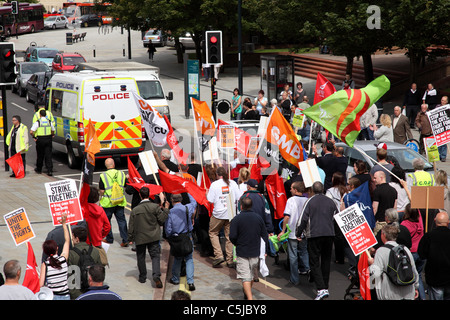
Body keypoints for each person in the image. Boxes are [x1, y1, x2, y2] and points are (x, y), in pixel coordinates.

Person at [296, 181, 338, 300]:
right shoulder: (331, 201)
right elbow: (337, 216)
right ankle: (325, 286)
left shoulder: (310, 201)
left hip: (314, 235)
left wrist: (298, 233)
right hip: (329, 234)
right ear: (323, 189)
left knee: (314, 262)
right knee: (326, 261)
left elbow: (302, 219)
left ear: (313, 190)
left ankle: (321, 289)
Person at [128, 187, 169, 287]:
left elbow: (131, 226)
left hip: (140, 237)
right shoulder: (155, 207)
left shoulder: (135, 210)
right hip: (153, 236)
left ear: (140, 195)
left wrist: (130, 238)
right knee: (155, 256)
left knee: (140, 257)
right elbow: (162, 220)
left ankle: (142, 277)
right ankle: (156, 275)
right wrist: (166, 209)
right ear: (149, 194)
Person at [230, 197, 268, 300]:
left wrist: (237, 244)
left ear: (241, 206)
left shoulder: (236, 219)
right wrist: (265, 251)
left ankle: (249, 298)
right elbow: (264, 235)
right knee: (251, 275)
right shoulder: (258, 218)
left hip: (242, 251)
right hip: (255, 251)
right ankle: (247, 294)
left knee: (245, 277)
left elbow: (232, 236)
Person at [368, 224, 419, 300]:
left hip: (390, 293)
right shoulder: (405, 249)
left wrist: (371, 264)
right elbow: (413, 270)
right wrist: (416, 287)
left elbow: (376, 274)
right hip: (408, 292)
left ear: (384, 235)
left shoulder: (381, 251)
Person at [207, 166, 241, 268]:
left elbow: (210, 200)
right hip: (230, 209)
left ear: (217, 175)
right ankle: (229, 260)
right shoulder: (233, 183)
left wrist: (206, 194)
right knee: (229, 236)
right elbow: (239, 197)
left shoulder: (214, 184)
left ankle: (219, 255)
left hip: (219, 211)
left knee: (213, 233)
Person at [278, 181, 309, 285]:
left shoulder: (291, 200)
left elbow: (287, 216)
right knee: (304, 252)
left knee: (293, 256)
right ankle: (309, 270)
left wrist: (283, 231)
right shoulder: (307, 200)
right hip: (304, 231)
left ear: (296, 190)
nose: (290, 190)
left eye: (291, 188)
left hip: (293, 232)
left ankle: (294, 279)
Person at [166, 193, 197, 291]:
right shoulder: (187, 208)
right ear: (182, 199)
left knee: (178, 259)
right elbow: (194, 202)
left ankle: (175, 279)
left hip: (176, 238)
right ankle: (190, 282)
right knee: (189, 259)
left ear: (172, 200)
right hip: (187, 237)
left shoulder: (170, 212)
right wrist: (189, 191)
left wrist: (169, 237)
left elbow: (168, 229)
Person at [418, 211, 450, 300]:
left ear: (435, 222)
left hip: (435, 277)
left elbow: (421, 254)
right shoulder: (429, 236)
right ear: (448, 222)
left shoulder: (429, 236)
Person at [99, 158, 129, 247]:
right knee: (121, 220)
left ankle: (109, 238)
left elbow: (102, 190)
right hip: (119, 201)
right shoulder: (121, 173)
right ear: (114, 164)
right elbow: (125, 185)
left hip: (108, 203)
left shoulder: (103, 175)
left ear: (106, 166)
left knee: (107, 222)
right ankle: (125, 239)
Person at [39, 213, 70, 300]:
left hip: (52, 296)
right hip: (66, 296)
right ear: (57, 248)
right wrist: (64, 224)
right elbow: (67, 241)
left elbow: (40, 284)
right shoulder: (63, 259)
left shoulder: (45, 264)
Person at [67, 226, 102, 299]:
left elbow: (71, 278)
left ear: (77, 239)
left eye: (73, 237)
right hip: (93, 290)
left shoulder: (71, 254)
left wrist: (75, 295)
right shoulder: (95, 251)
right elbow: (100, 272)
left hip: (78, 293)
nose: (72, 239)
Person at [401, 204, 426, 300]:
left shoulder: (405, 224)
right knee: (418, 276)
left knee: (410, 277)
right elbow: (417, 210)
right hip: (421, 253)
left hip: (412, 253)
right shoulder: (419, 222)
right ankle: (422, 297)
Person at [30, 109, 55, 176]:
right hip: (48, 139)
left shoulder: (38, 122)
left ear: (40, 115)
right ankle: (49, 170)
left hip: (40, 139)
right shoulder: (49, 122)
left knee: (40, 155)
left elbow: (31, 131)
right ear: (46, 115)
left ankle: (39, 169)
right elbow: (53, 130)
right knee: (48, 155)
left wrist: (34, 137)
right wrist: (52, 134)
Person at [372, 171, 397, 235]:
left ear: (381, 178)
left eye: (375, 178)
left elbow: (374, 209)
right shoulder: (393, 190)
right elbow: (395, 207)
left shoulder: (377, 191)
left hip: (380, 222)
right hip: (391, 223)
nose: (374, 180)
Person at [435, 96, 449, 162]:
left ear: (446, 102)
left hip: (445, 128)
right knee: (438, 142)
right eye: (442, 100)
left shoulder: (448, 108)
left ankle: (443, 156)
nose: (442, 101)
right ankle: (438, 155)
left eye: (444, 100)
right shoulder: (437, 107)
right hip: (438, 127)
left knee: (444, 142)